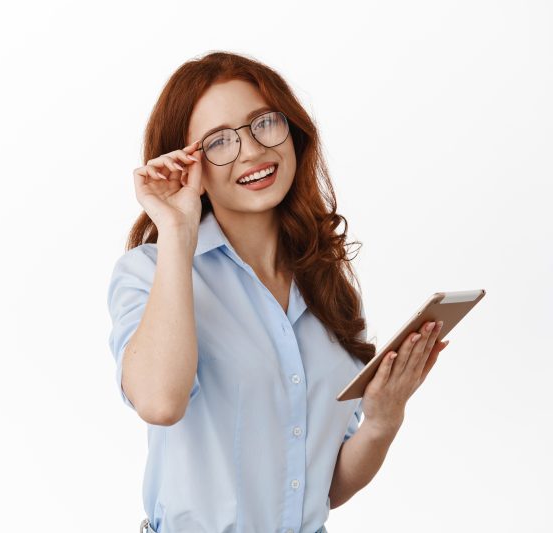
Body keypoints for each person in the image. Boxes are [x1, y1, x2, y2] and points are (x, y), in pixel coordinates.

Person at [106, 51, 449, 533]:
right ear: (186, 164)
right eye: (218, 141)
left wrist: (382, 420)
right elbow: (161, 403)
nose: (251, 150)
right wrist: (178, 231)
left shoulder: (326, 282)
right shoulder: (148, 272)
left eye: (264, 123)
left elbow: (323, 487)